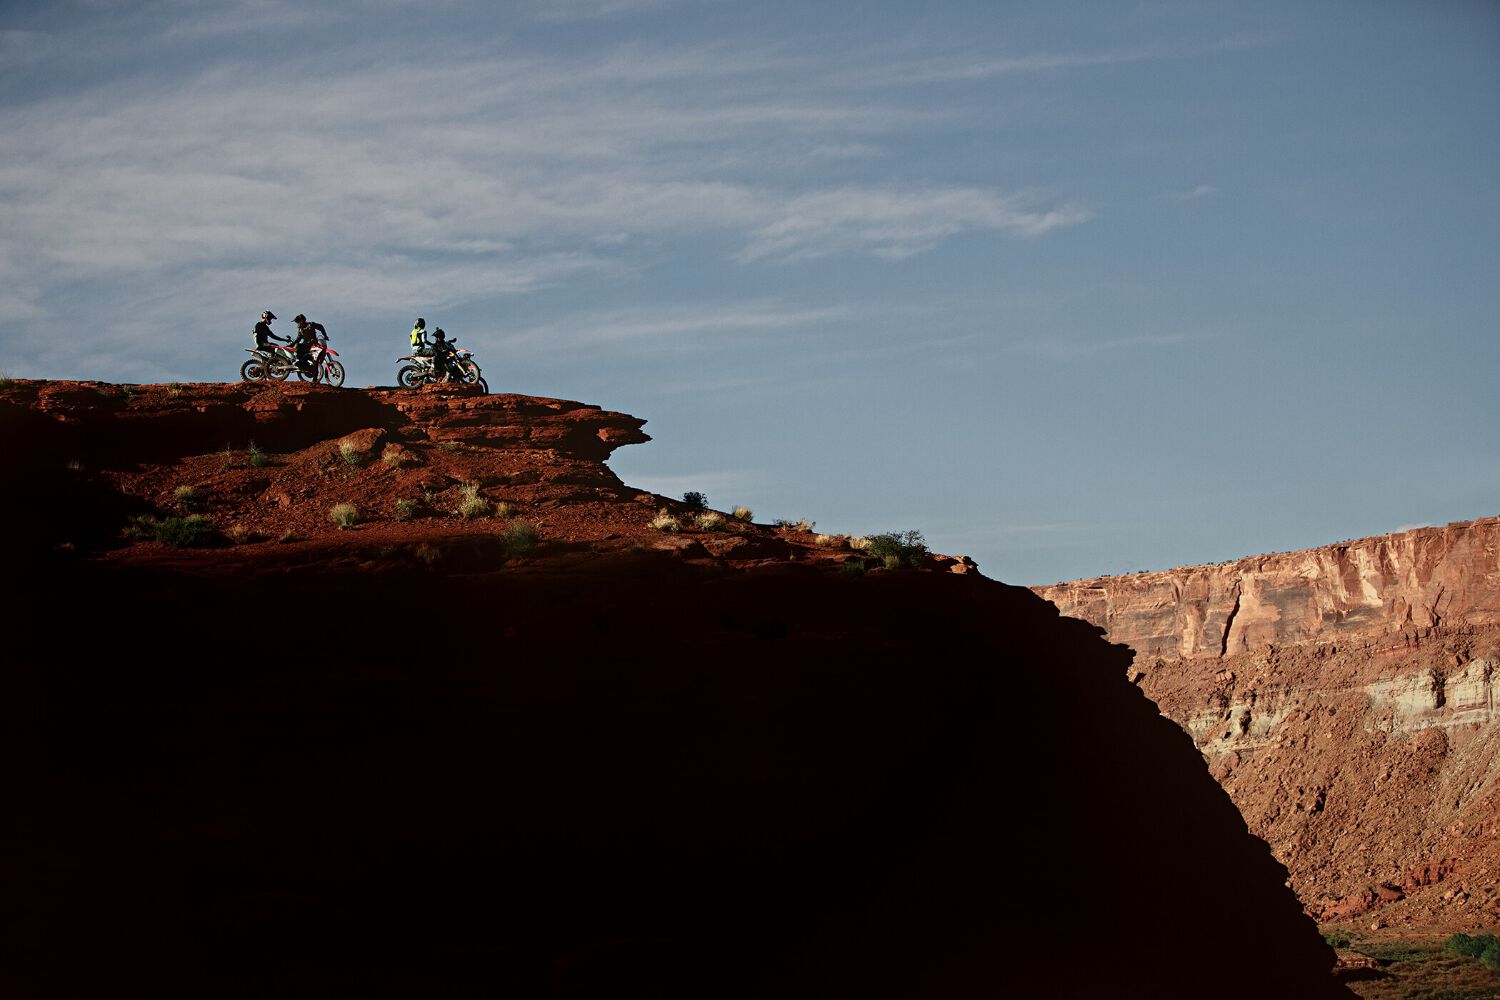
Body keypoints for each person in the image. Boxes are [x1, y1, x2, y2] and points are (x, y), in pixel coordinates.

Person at [291, 314, 328, 382]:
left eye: (298, 322)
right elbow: (298, 339)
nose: (298, 324)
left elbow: (320, 327)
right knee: (298, 346)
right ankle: (297, 361)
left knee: (315, 360)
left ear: (302, 321)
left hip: (314, 345)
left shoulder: (311, 325)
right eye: (297, 322)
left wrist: (325, 335)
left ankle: (315, 378)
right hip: (305, 346)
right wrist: (291, 345)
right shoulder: (300, 330)